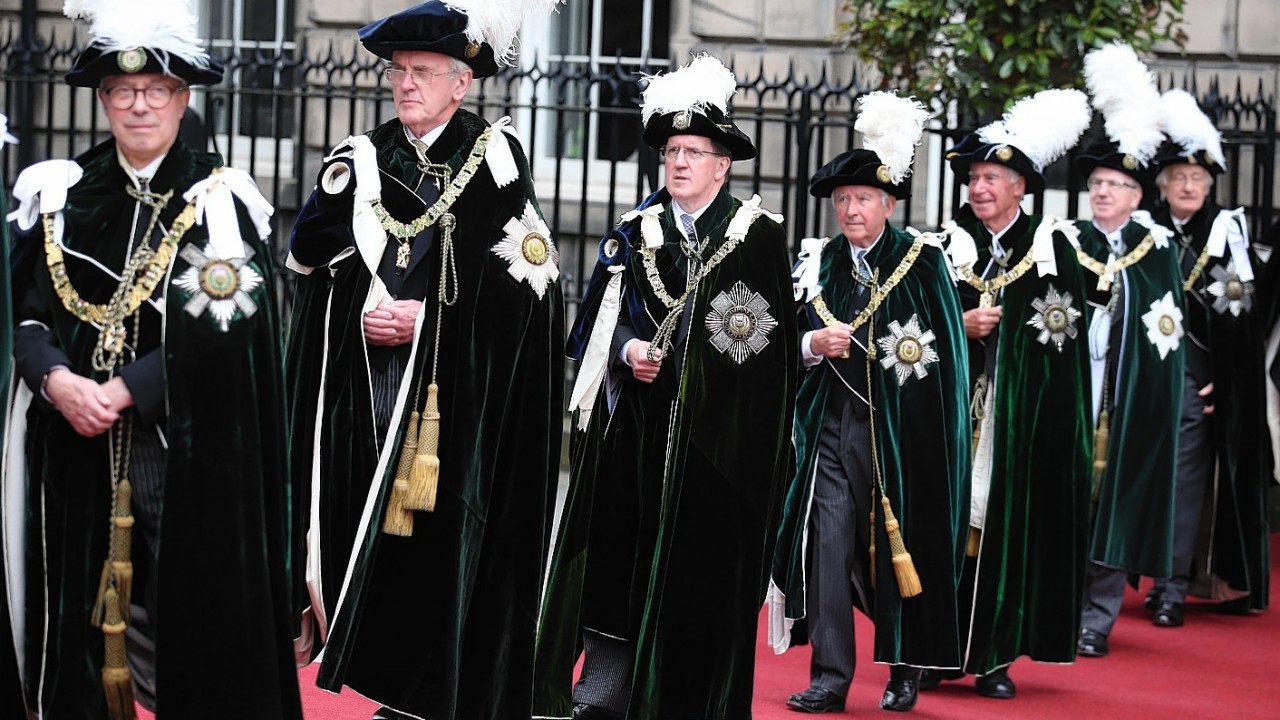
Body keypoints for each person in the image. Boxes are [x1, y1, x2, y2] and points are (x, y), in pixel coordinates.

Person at [3, 2, 301, 718]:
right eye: (123, 92)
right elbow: (25, 312)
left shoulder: (218, 200)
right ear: (104, 100)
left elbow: (232, 337)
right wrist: (55, 379)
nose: (140, 105)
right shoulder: (64, 195)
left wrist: (128, 390)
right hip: (70, 446)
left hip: (177, 451)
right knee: (75, 618)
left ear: (182, 98)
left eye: (156, 90)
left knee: (184, 620)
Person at [284, 1, 564, 718]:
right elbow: (309, 260)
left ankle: (422, 689)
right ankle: (386, 676)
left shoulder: (494, 160)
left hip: (447, 395)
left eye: (423, 73)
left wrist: (433, 319)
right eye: (399, 72)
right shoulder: (364, 156)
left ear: (461, 84)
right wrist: (358, 308)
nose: (406, 85)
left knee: (434, 539)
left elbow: (529, 291)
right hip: (366, 380)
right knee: (366, 525)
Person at [534, 54, 798, 720]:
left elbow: (768, 360)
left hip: (717, 458)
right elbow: (592, 325)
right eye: (672, 151)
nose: (679, 163)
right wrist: (627, 350)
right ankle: (602, 703)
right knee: (617, 576)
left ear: (723, 164)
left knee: (699, 594)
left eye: (694, 152)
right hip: (637, 441)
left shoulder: (756, 238)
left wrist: (696, 377)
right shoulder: (636, 234)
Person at [768, 92, 970, 715]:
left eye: (864, 199)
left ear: (888, 202)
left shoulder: (924, 259)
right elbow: (786, 340)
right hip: (831, 427)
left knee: (900, 549)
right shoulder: (816, 263)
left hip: (903, 438)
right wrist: (811, 343)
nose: (852, 210)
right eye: (844, 200)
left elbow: (950, 363)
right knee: (827, 547)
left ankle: (905, 667)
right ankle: (830, 674)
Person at [923, 88, 1093, 699]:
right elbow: (913, 332)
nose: (979, 188)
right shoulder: (945, 248)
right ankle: (937, 649)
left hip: (1017, 421)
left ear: (1021, 186)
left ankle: (994, 657)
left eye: (992, 177)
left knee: (1001, 531)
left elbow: (1064, 353)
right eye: (973, 177)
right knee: (945, 529)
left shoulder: (1052, 252)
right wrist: (960, 327)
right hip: (955, 416)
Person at [1073, 43, 1185, 658]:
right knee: (1071, 498)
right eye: (1096, 184)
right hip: (1077, 390)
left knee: (1114, 499)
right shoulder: (1070, 242)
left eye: (1116, 185)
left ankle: (1099, 614)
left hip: (1126, 395)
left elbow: (1163, 329)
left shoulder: (1157, 248)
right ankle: (1064, 604)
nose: (1104, 194)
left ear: (1138, 195)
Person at [1143, 88, 1270, 626]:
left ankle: (1172, 584)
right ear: (1164, 186)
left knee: (1185, 478)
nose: (1189, 185)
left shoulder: (1225, 232)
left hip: (1197, 378)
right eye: (1179, 178)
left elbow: (1241, 318)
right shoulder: (1145, 231)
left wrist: (1228, 380)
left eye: (1198, 178)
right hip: (1144, 374)